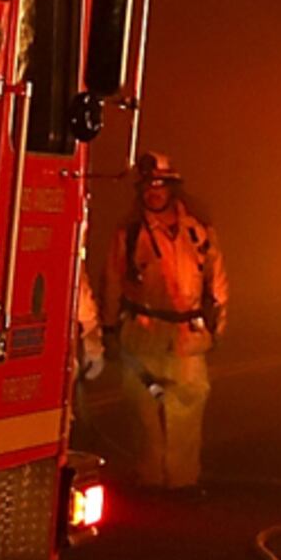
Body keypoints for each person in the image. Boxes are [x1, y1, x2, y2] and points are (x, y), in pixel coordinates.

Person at [84, 151, 231, 491]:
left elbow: (218, 281)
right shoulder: (130, 233)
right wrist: (106, 329)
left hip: (187, 335)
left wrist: (217, 328)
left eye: (159, 185)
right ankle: (150, 477)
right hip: (142, 332)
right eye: (147, 186)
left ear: (172, 189)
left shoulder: (199, 231)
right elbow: (113, 280)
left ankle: (181, 481)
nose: (153, 192)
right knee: (142, 406)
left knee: (188, 406)